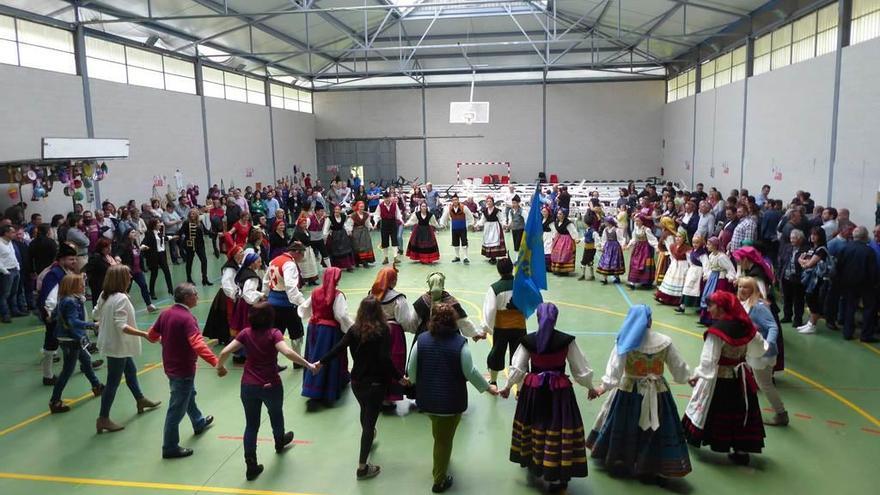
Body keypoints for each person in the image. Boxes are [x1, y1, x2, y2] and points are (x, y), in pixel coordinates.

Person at [586, 305, 692, 482]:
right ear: (650, 320)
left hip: (628, 390)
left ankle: (624, 458)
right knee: (655, 425)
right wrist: (687, 377)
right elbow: (678, 366)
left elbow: (615, 370)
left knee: (625, 422)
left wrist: (602, 388)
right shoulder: (665, 341)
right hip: (657, 390)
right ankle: (651, 464)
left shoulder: (626, 341)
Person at [499, 303, 593, 493]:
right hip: (559, 391)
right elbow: (580, 369)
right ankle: (556, 476)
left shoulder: (529, 340)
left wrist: (508, 386)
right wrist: (591, 387)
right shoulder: (566, 341)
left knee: (535, 425)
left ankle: (535, 462)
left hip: (534, 390)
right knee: (557, 427)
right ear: (556, 319)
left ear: (538, 319)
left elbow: (518, 368)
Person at [404, 304, 498, 493]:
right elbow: (470, 371)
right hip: (451, 402)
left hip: (427, 400)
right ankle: (439, 480)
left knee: (439, 433)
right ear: (453, 321)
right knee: (443, 441)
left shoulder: (421, 341)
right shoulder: (460, 344)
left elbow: (411, 374)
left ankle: (442, 460)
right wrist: (488, 388)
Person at [314, 297, 400, 480]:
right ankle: (362, 467)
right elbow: (385, 359)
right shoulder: (384, 330)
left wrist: (321, 362)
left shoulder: (354, 330)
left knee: (365, 412)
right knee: (369, 423)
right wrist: (400, 378)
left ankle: (369, 436)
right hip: (376, 384)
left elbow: (338, 348)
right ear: (379, 312)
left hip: (357, 383)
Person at [682, 291, 767, 466]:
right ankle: (741, 450)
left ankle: (696, 438)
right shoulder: (746, 327)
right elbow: (759, 349)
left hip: (719, 380)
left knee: (715, 410)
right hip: (740, 378)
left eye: (711, 305)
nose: (708, 308)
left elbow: (708, 361)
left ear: (721, 308)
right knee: (741, 411)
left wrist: (697, 375)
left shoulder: (717, 332)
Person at [145, 284, 220, 459]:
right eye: (195, 294)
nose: (197, 297)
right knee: (177, 408)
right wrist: (216, 362)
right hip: (183, 368)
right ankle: (169, 447)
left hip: (170, 366)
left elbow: (151, 336)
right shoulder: (187, 319)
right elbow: (198, 344)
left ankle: (198, 422)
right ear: (187, 298)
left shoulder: (165, 313)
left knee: (188, 394)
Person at [94, 265, 161, 433]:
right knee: (112, 383)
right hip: (118, 345)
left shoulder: (105, 295)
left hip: (113, 343)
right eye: (128, 275)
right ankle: (103, 418)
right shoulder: (121, 299)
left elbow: (96, 314)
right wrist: (144, 334)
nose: (131, 277)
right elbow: (122, 326)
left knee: (130, 371)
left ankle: (140, 399)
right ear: (121, 279)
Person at [48, 274, 104, 413]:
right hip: (71, 340)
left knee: (86, 361)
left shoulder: (64, 300)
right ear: (72, 286)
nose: (84, 286)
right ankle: (55, 401)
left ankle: (97, 386)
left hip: (71, 338)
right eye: (81, 284)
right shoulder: (71, 301)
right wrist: (93, 324)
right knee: (67, 370)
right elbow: (73, 322)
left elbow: (54, 315)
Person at [737, 277, 788, 426]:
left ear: (753, 290)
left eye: (745, 287)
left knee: (764, 383)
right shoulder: (743, 304)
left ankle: (781, 413)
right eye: (740, 286)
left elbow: (773, 326)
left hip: (761, 352)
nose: (741, 290)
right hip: (751, 350)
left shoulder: (758, 307)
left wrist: (768, 344)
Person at [298, 267, 354, 405]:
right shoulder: (337, 295)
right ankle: (327, 389)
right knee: (329, 358)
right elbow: (341, 315)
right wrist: (352, 328)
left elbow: (304, 308)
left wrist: (314, 317)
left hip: (314, 328)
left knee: (313, 355)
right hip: (329, 332)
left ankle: (312, 388)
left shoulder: (315, 292)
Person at [370, 267, 417, 405]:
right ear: (392, 281)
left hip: (374, 331)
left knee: (375, 361)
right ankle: (390, 396)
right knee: (394, 361)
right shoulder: (398, 298)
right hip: (393, 333)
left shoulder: (370, 295)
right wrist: (413, 329)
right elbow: (404, 320)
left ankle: (377, 392)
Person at [481, 258, 525, 385]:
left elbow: (490, 310)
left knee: (497, 353)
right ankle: (520, 389)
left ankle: (493, 382)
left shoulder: (495, 288)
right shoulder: (522, 285)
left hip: (501, 327)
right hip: (519, 326)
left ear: (498, 271)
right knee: (519, 356)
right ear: (512, 269)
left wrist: (486, 329)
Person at [264, 241, 308, 356]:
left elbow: (266, 281)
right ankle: (297, 360)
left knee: (274, 335)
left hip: (273, 303)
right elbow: (291, 288)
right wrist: (302, 303)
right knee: (297, 334)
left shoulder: (274, 261)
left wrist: (265, 296)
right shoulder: (289, 264)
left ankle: (272, 361)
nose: (303, 257)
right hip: (288, 305)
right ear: (297, 252)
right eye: (302, 254)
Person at [836, 226, 879, 342]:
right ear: (865, 236)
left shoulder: (845, 248)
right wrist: (874, 284)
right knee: (869, 308)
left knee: (850, 307)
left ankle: (847, 332)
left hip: (848, 283)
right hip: (866, 285)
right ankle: (866, 335)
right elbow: (873, 271)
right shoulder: (869, 251)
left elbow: (838, 266)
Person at [203, 246, 244, 345]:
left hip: (232, 294)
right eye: (241, 252)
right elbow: (226, 283)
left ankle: (227, 337)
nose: (243, 254)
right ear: (235, 255)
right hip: (227, 296)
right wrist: (233, 295)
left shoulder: (238, 265)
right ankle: (226, 337)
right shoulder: (230, 268)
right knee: (226, 317)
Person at [230, 251, 265, 363]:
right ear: (252, 263)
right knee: (247, 328)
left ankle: (238, 354)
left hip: (240, 304)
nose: (260, 263)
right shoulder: (252, 277)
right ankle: (246, 354)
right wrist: (261, 295)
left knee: (239, 328)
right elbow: (248, 294)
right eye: (258, 262)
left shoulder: (243, 272)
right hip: (246, 306)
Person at [796, 227, 829, 334]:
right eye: (811, 234)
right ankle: (810, 323)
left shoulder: (821, 249)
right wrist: (803, 262)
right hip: (809, 279)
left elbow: (808, 264)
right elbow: (800, 259)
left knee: (813, 300)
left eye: (815, 234)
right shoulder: (811, 248)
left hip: (816, 280)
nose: (812, 236)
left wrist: (804, 262)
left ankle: (813, 325)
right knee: (809, 299)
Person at [698, 237, 737, 326]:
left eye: (709, 244)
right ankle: (706, 318)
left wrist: (731, 277)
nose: (707, 246)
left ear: (715, 246)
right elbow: (710, 268)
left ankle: (715, 319)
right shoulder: (711, 255)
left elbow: (730, 268)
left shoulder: (721, 257)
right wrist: (707, 275)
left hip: (720, 279)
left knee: (717, 298)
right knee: (709, 296)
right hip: (713, 278)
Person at [780, 229, 808, 328]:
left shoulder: (805, 250)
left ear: (800, 239)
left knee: (798, 300)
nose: (792, 240)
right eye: (791, 238)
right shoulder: (787, 247)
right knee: (787, 297)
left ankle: (798, 319)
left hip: (798, 278)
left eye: (794, 238)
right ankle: (787, 316)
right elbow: (782, 260)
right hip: (786, 276)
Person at [655, 230, 690, 306]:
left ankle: (677, 300)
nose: (677, 238)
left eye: (680, 237)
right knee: (670, 280)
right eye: (676, 236)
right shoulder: (673, 246)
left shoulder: (687, 248)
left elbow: (689, 260)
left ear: (684, 238)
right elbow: (672, 256)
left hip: (682, 266)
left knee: (679, 282)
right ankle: (665, 297)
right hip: (674, 264)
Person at [179, 209, 212, 286]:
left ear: (197, 215)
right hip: (190, 245)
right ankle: (189, 278)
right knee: (189, 262)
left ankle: (205, 278)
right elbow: (181, 232)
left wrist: (215, 234)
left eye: (193, 214)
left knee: (204, 261)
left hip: (200, 245)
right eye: (190, 214)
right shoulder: (186, 223)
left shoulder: (199, 222)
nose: (192, 215)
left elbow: (206, 231)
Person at [142, 219, 174, 299]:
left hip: (162, 255)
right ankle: (152, 292)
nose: (160, 224)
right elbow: (143, 243)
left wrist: (173, 237)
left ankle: (171, 289)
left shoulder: (160, 233)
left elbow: (164, 238)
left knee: (167, 272)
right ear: (154, 225)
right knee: (154, 274)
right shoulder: (149, 234)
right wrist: (143, 247)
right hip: (154, 256)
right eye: (158, 223)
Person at [625, 215, 659, 289]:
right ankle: (632, 282)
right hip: (638, 248)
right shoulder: (636, 229)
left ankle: (646, 282)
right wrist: (629, 245)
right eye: (636, 221)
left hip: (646, 249)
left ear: (642, 221)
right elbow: (634, 238)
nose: (636, 222)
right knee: (634, 262)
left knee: (644, 264)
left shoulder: (646, 229)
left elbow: (652, 239)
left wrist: (656, 247)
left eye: (638, 221)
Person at [439, 194, 475, 264]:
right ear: (452, 201)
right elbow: (444, 216)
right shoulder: (449, 208)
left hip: (462, 228)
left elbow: (470, 215)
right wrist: (442, 224)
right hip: (454, 228)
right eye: (453, 200)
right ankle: (457, 256)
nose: (455, 201)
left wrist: (471, 223)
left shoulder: (464, 207)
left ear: (458, 200)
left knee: (464, 243)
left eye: (456, 200)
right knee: (455, 243)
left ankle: (465, 257)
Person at [0, 225, 25, 322]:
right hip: (6, 271)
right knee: (4, 294)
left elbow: (12, 255)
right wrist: (4, 271)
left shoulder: (10, 242)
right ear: (6, 233)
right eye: (13, 232)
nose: (15, 234)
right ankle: (5, 314)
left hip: (15, 269)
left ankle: (15, 310)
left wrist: (17, 266)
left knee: (14, 293)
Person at [84, 238, 119, 307]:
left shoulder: (109, 256)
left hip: (109, 284)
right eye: (106, 247)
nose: (109, 249)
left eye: (110, 246)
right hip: (98, 285)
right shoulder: (96, 257)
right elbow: (88, 269)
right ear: (101, 248)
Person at [373, 192, 403, 265]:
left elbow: (398, 214)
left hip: (393, 224)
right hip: (384, 224)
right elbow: (376, 215)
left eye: (388, 197)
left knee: (394, 241)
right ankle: (386, 258)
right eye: (385, 198)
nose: (386, 199)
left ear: (390, 197)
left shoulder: (394, 205)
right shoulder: (380, 206)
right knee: (384, 242)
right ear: (383, 198)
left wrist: (401, 220)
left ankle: (395, 257)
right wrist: (375, 223)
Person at [323, 204, 356, 271]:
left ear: (340, 210)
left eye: (338, 209)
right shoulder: (330, 218)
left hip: (343, 235)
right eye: (336, 209)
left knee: (345, 250)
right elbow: (326, 229)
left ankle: (348, 266)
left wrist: (349, 232)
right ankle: (336, 266)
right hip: (334, 236)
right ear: (334, 210)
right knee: (335, 251)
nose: (337, 211)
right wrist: (325, 238)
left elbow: (345, 225)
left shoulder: (343, 216)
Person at [476, 195, 507, 264]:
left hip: (495, 227)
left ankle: (494, 257)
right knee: (489, 241)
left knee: (495, 240)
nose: (489, 203)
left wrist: (504, 224)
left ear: (493, 202)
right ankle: (491, 256)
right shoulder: (484, 211)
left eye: (490, 201)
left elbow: (501, 219)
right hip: (487, 227)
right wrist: (477, 225)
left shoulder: (497, 210)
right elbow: (482, 220)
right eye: (487, 201)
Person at [549, 209, 579, 275]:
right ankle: (557, 269)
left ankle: (564, 270)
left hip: (566, 240)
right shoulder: (557, 222)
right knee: (556, 254)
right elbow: (556, 231)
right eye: (558, 214)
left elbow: (573, 231)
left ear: (564, 215)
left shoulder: (568, 223)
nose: (558, 215)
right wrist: (554, 238)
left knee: (564, 254)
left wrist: (576, 239)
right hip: (559, 239)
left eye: (560, 214)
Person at [596, 217, 625, 284]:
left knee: (615, 262)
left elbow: (621, 239)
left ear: (610, 222)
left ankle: (617, 277)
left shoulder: (616, 230)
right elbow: (604, 239)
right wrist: (603, 246)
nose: (605, 223)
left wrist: (622, 246)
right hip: (608, 247)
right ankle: (605, 279)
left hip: (615, 248)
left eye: (606, 222)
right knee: (606, 261)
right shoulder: (605, 230)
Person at [291, 216, 320, 285]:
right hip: (303, 250)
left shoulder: (306, 230)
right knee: (305, 265)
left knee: (311, 265)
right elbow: (295, 241)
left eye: (305, 223)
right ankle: (306, 280)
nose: (304, 224)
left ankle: (312, 280)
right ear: (299, 224)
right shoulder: (297, 232)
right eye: (303, 223)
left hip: (309, 249)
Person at [349, 201, 375, 267]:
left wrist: (371, 227)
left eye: (363, 207)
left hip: (364, 231)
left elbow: (367, 223)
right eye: (360, 207)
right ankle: (357, 261)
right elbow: (350, 225)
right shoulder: (353, 215)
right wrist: (349, 232)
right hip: (356, 232)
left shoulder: (366, 214)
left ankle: (364, 261)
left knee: (365, 246)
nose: (362, 208)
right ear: (357, 207)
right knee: (357, 247)